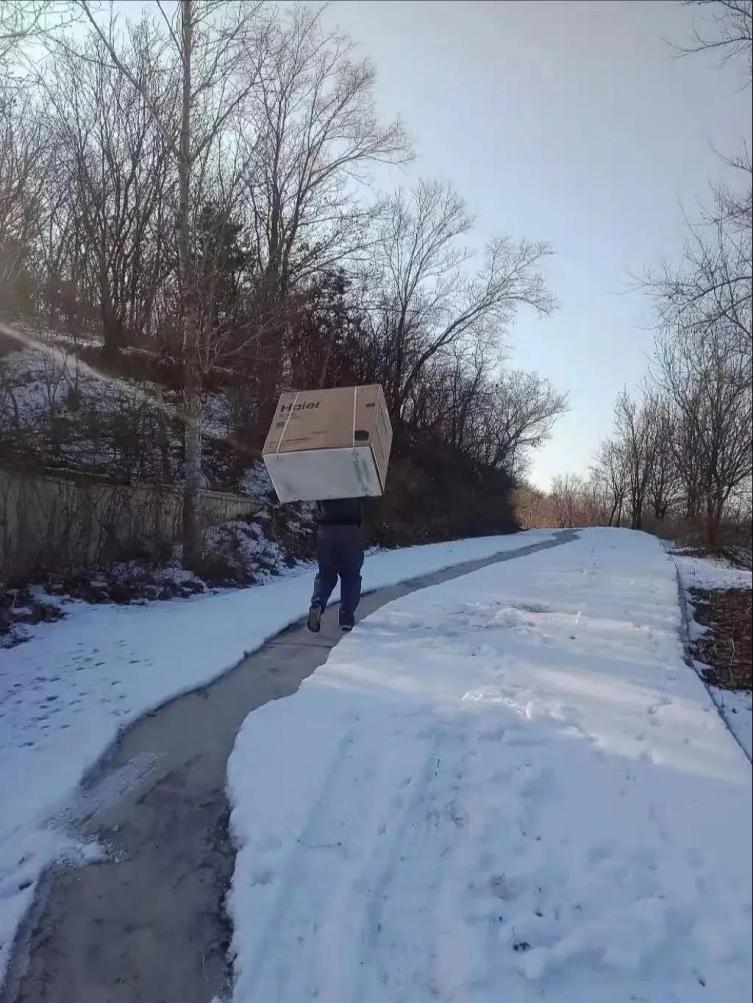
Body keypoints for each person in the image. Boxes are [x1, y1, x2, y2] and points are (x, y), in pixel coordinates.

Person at [307, 497, 365, 633]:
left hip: (325, 529)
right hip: (350, 528)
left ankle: (317, 604)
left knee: (326, 574)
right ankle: (346, 618)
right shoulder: (354, 477)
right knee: (351, 575)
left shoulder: (322, 477)